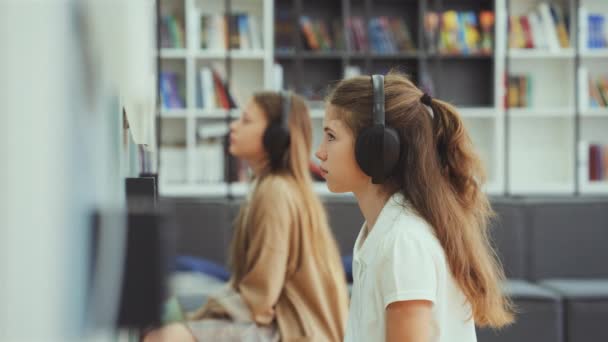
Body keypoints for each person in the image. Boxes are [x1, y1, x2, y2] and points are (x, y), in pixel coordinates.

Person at [315, 72, 514, 342]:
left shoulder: (403, 242)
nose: (319, 152)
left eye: (330, 136)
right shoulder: (383, 232)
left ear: (376, 147)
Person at [144, 91, 349, 341]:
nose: (234, 125)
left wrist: (202, 316)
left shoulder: (275, 191)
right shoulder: (277, 186)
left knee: (165, 337)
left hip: (295, 331)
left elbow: (260, 299)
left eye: (246, 120)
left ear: (276, 137)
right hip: (295, 326)